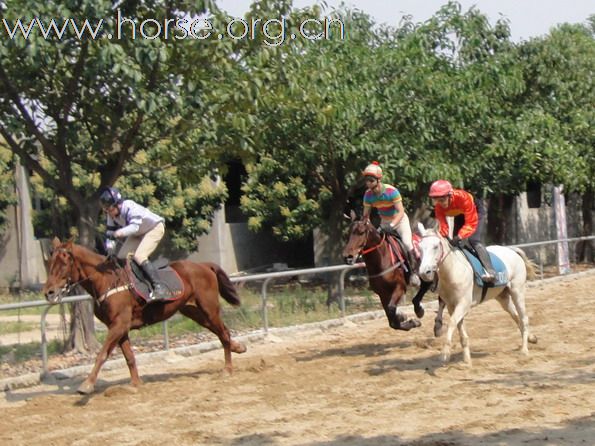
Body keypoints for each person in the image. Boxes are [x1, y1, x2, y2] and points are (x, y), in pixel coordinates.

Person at [99, 186, 170, 300]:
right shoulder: (111, 214)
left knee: (139, 256)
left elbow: (134, 227)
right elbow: (110, 233)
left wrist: (119, 233)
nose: (109, 213)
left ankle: (160, 287)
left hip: (154, 228)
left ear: (118, 204)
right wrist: (110, 249)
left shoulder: (130, 207)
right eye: (106, 210)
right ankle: (136, 284)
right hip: (139, 234)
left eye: (110, 209)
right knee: (120, 257)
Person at [361, 161, 420, 286]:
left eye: (371, 180)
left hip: (399, 221)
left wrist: (391, 226)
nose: (368, 183)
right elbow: (366, 216)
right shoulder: (367, 195)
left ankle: (414, 273)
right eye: (366, 180)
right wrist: (367, 226)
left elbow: (400, 211)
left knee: (407, 243)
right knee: (377, 246)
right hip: (384, 221)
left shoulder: (391, 191)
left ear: (378, 179)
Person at [428, 179, 496, 283]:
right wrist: (446, 237)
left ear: (450, 195)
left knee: (473, 240)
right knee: (455, 245)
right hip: (459, 214)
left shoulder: (463, 197)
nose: (439, 203)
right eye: (436, 200)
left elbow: (471, 223)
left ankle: (491, 272)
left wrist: (459, 236)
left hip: (475, 213)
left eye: (442, 200)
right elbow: (443, 225)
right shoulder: (438, 207)